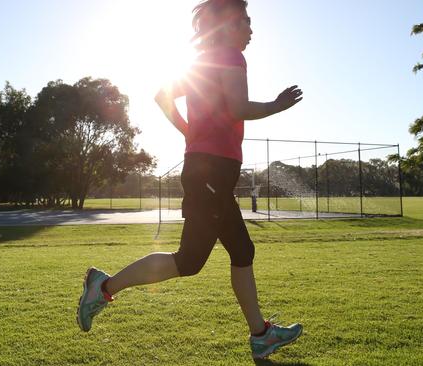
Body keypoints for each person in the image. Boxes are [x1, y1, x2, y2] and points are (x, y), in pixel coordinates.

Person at [77, 0, 304, 359]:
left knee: (241, 252)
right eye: (245, 20)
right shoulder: (230, 56)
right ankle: (102, 288)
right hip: (211, 170)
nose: (250, 29)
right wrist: (276, 105)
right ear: (228, 25)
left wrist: (188, 133)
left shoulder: (206, 61)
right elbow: (237, 108)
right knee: (190, 260)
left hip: (211, 169)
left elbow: (161, 95)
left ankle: (261, 335)